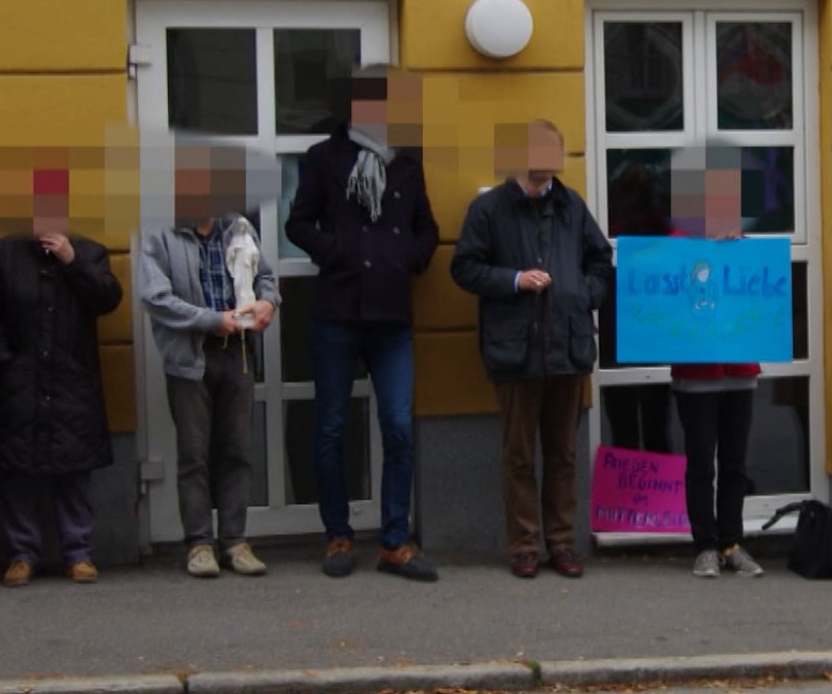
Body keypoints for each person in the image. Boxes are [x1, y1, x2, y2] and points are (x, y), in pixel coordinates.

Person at [285, 63, 442, 583]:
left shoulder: (407, 163)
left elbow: (427, 229)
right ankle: (339, 535)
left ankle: (394, 542)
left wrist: (406, 257)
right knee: (331, 426)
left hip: (391, 315)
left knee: (398, 427)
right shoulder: (323, 158)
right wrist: (338, 254)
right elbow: (298, 223)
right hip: (337, 311)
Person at [451, 119, 613, 580]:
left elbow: (601, 261)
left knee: (563, 454)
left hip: (568, 347)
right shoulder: (490, 209)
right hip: (515, 350)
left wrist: (584, 296)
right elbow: (464, 268)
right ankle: (524, 545)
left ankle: (562, 543)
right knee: (519, 455)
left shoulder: (571, 205)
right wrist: (514, 280)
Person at [0, 164, 122, 587]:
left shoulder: (89, 251)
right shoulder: (4, 253)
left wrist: (72, 262)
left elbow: (107, 300)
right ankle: (22, 553)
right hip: (17, 381)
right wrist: (3, 367)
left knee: (74, 470)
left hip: (72, 381)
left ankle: (78, 552)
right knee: (16, 470)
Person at [139, 143, 280, 579]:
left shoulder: (239, 228)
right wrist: (209, 320)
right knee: (194, 455)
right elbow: (157, 298)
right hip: (191, 359)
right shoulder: (159, 234)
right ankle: (199, 543)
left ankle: (235, 541)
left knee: (237, 451)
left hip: (236, 355)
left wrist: (268, 304)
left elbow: (267, 278)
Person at [665, 160, 764, 580]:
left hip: (740, 369)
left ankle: (731, 542)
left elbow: (759, 294)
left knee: (735, 463)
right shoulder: (678, 243)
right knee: (702, 463)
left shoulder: (741, 243)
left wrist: (737, 248)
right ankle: (704, 544)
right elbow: (666, 296)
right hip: (696, 373)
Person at [601, 160, 676, 453]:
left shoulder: (614, 228)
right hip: (645, 333)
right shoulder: (661, 228)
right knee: (653, 427)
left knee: (628, 429)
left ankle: (633, 497)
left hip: (620, 332)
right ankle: (655, 497)